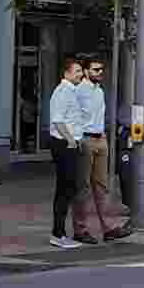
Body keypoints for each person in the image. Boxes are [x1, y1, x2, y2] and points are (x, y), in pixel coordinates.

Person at [74, 58, 131, 244]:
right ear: (86, 71)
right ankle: (80, 229)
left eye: (101, 69)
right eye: (95, 69)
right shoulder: (78, 90)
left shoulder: (99, 91)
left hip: (101, 139)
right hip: (85, 139)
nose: (100, 72)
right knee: (82, 188)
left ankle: (108, 228)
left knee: (102, 186)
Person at [48, 57, 87, 250]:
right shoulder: (63, 91)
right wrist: (70, 139)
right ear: (66, 73)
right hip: (64, 144)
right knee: (65, 188)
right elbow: (57, 120)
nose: (81, 74)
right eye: (77, 71)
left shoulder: (72, 91)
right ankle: (58, 233)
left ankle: (60, 232)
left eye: (81, 71)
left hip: (71, 143)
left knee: (69, 188)